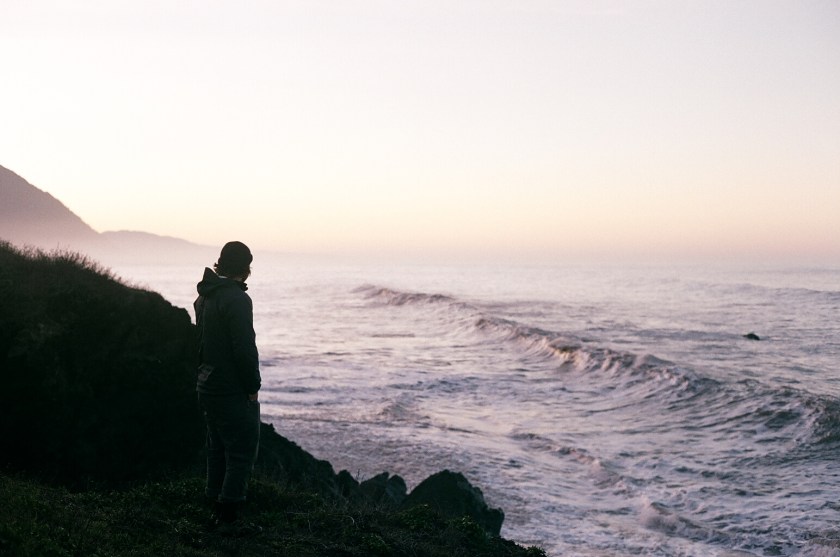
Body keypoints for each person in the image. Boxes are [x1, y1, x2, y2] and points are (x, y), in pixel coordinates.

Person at [194, 241, 262, 535]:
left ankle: (213, 507)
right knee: (241, 452)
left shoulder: (205, 296)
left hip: (206, 384)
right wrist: (252, 386)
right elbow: (244, 349)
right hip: (230, 388)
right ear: (245, 268)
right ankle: (229, 520)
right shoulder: (236, 299)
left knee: (217, 448)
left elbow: (201, 344)